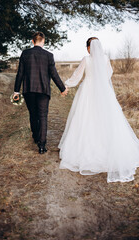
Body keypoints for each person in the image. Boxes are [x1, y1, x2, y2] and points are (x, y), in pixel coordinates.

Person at [58, 37, 139, 183]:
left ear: (89, 47)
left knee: (87, 118)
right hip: (104, 91)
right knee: (107, 118)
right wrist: (100, 81)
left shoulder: (86, 59)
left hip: (88, 91)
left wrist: (66, 85)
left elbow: (77, 76)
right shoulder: (105, 58)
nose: (87, 50)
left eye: (87, 47)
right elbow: (108, 73)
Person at [13, 32, 68, 154]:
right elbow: (54, 74)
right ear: (43, 41)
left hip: (29, 90)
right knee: (43, 116)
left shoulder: (25, 54)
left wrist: (16, 91)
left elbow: (20, 74)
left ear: (33, 41)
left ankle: (36, 137)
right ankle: (42, 145)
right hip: (43, 90)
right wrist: (62, 88)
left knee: (33, 114)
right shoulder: (49, 55)